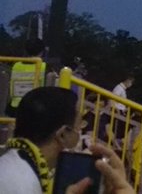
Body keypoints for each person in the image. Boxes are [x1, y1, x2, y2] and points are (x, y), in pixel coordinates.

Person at [0, 86, 132, 194]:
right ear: (63, 134)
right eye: (78, 127)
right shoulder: (23, 184)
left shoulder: (13, 166)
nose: (80, 133)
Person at [5, 40, 43, 118]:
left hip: (15, 107)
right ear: (41, 52)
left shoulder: (16, 66)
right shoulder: (44, 66)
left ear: (26, 51)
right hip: (35, 108)